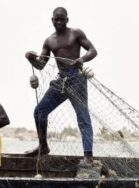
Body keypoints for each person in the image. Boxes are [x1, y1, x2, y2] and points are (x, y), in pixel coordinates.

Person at [25, 7, 97, 164]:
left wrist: (82, 60)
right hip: (61, 81)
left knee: (83, 117)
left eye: (62, 19)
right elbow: (41, 65)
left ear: (67, 20)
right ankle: (43, 146)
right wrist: (31, 58)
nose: (59, 22)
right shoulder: (49, 41)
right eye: (56, 19)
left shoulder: (76, 33)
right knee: (39, 112)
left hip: (77, 80)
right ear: (52, 20)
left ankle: (88, 156)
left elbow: (93, 50)